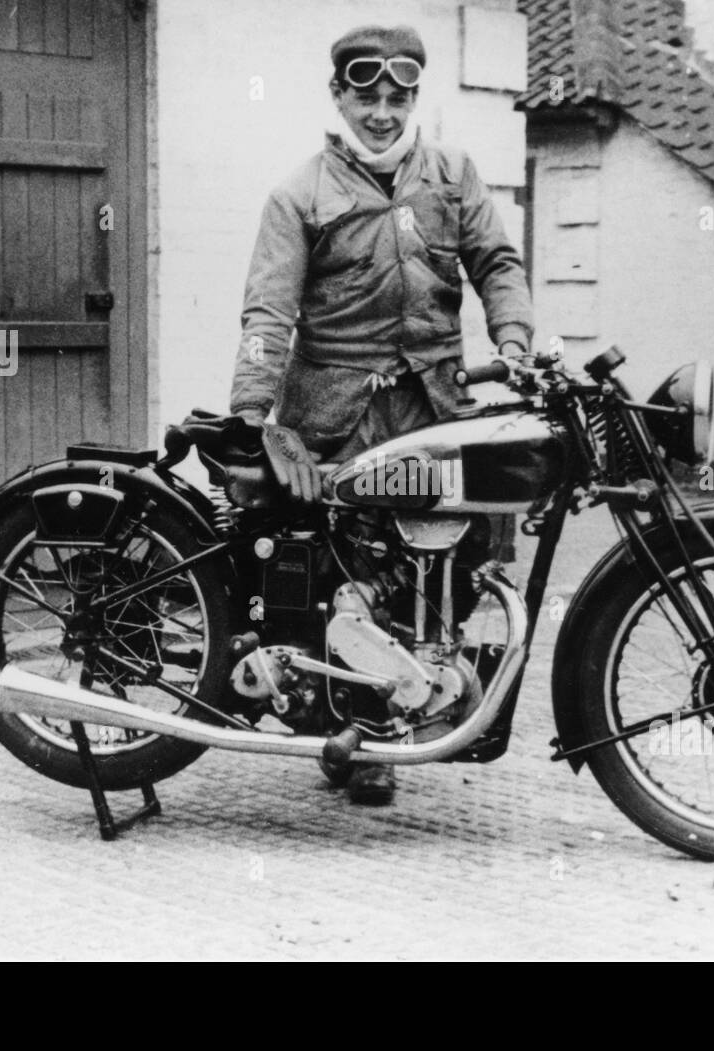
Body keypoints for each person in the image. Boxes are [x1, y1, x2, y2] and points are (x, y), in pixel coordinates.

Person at [229, 23, 534, 804]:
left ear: (413, 99)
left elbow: (497, 263)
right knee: (352, 576)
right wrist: (250, 415)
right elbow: (268, 314)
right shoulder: (300, 194)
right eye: (366, 97)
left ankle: (421, 697)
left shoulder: (453, 176)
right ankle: (360, 737)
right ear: (339, 97)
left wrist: (516, 334)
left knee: (446, 564)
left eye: (398, 98)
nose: (383, 113)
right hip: (338, 419)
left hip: (434, 409)